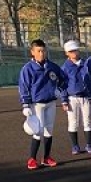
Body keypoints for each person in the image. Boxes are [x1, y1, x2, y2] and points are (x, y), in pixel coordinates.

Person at [18, 38, 69, 170]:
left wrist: (59, 89)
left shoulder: (52, 66)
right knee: (37, 131)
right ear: (32, 52)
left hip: (51, 102)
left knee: (49, 130)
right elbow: (24, 87)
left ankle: (46, 157)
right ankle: (32, 159)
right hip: (37, 104)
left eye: (43, 51)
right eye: (39, 51)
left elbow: (64, 79)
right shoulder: (28, 69)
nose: (41, 53)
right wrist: (25, 105)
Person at [61, 39, 91, 155]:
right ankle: (75, 146)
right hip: (72, 98)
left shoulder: (85, 64)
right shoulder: (65, 67)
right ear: (67, 53)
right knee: (73, 122)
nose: (74, 53)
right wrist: (64, 100)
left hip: (85, 97)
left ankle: (89, 144)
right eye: (71, 51)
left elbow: (90, 81)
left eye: (75, 50)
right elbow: (62, 85)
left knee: (87, 121)